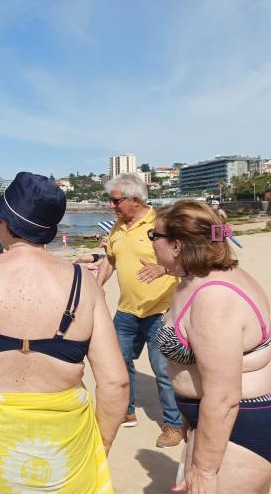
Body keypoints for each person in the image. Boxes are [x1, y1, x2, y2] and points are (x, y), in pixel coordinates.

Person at [0, 172, 129, 492]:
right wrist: (102, 444)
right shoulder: (84, 283)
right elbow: (115, 382)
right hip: (64, 438)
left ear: (7, 224)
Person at [152, 200, 271, 492]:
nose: (151, 242)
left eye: (153, 236)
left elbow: (223, 395)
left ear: (177, 245)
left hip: (242, 425)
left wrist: (205, 470)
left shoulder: (213, 298)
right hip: (226, 420)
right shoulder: (198, 279)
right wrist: (189, 417)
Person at [96, 172, 183, 447]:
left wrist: (164, 268)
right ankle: (127, 411)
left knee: (163, 370)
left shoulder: (161, 222)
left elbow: (190, 258)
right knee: (119, 365)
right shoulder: (117, 228)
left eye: (116, 201)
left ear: (135, 199)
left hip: (161, 310)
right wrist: (98, 286)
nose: (112, 206)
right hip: (126, 311)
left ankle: (173, 425)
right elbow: (110, 259)